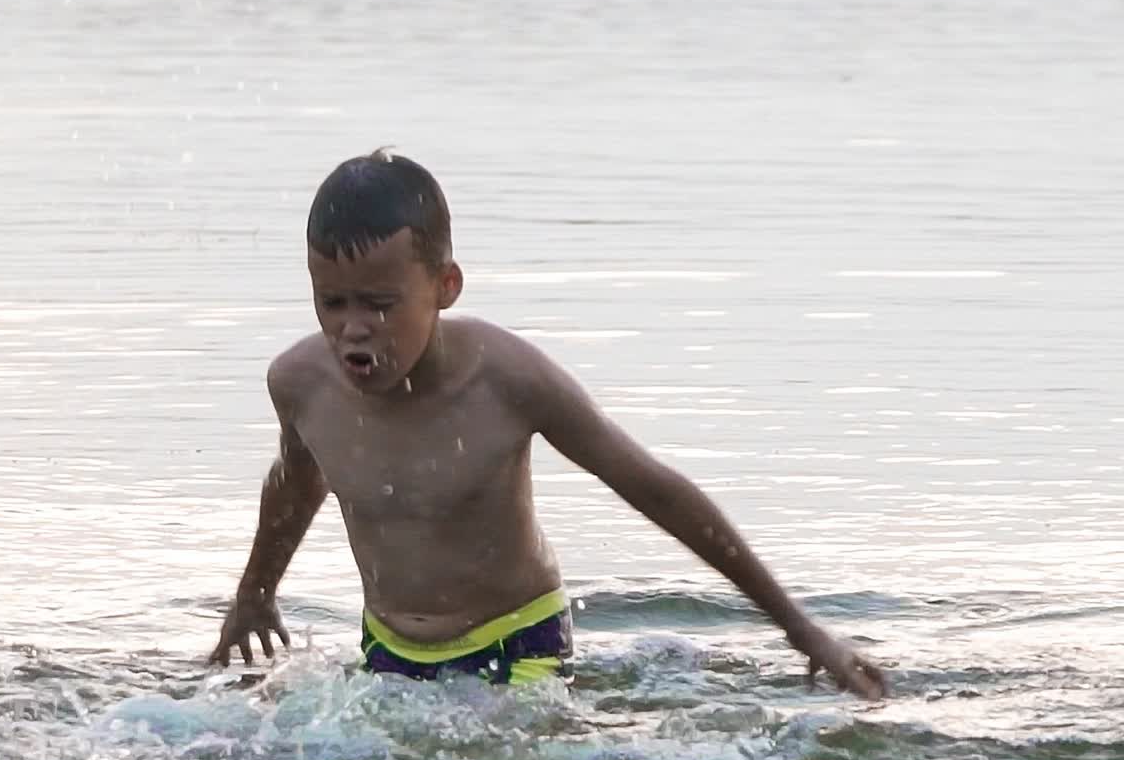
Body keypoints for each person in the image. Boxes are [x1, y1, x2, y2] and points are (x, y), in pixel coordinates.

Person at [209, 151, 887, 698]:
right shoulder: (301, 384)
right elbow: (296, 483)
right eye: (332, 303)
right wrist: (254, 595)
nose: (353, 329)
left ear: (445, 287)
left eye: (381, 304)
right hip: (387, 650)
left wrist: (800, 628)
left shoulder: (507, 381)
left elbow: (651, 487)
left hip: (518, 645)